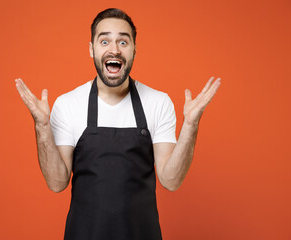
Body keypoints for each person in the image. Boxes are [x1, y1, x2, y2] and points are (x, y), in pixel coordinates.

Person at [15, 8, 221, 240]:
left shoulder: (158, 102)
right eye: (105, 41)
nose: (114, 49)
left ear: (134, 50)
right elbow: (56, 182)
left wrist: (191, 125)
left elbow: (171, 181)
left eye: (123, 41)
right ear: (92, 49)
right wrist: (42, 126)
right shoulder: (68, 104)